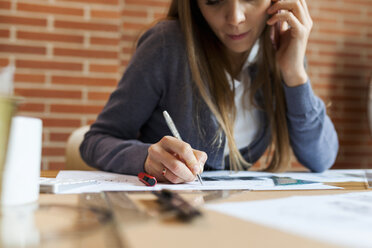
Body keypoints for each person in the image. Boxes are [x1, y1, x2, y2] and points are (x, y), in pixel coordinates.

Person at [80, 0, 338, 184]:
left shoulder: (282, 51)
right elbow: (96, 140)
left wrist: (294, 73)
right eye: (213, 1)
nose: (235, 18)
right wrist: (146, 159)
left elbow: (321, 158)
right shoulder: (166, 44)